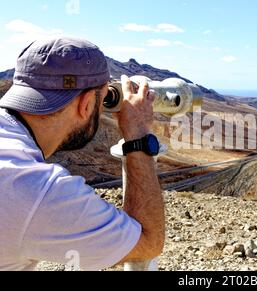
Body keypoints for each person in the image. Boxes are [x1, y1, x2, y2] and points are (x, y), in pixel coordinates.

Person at [0, 37, 165, 271]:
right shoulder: (38, 188)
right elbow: (149, 241)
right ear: (86, 103)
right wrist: (137, 137)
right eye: (104, 98)